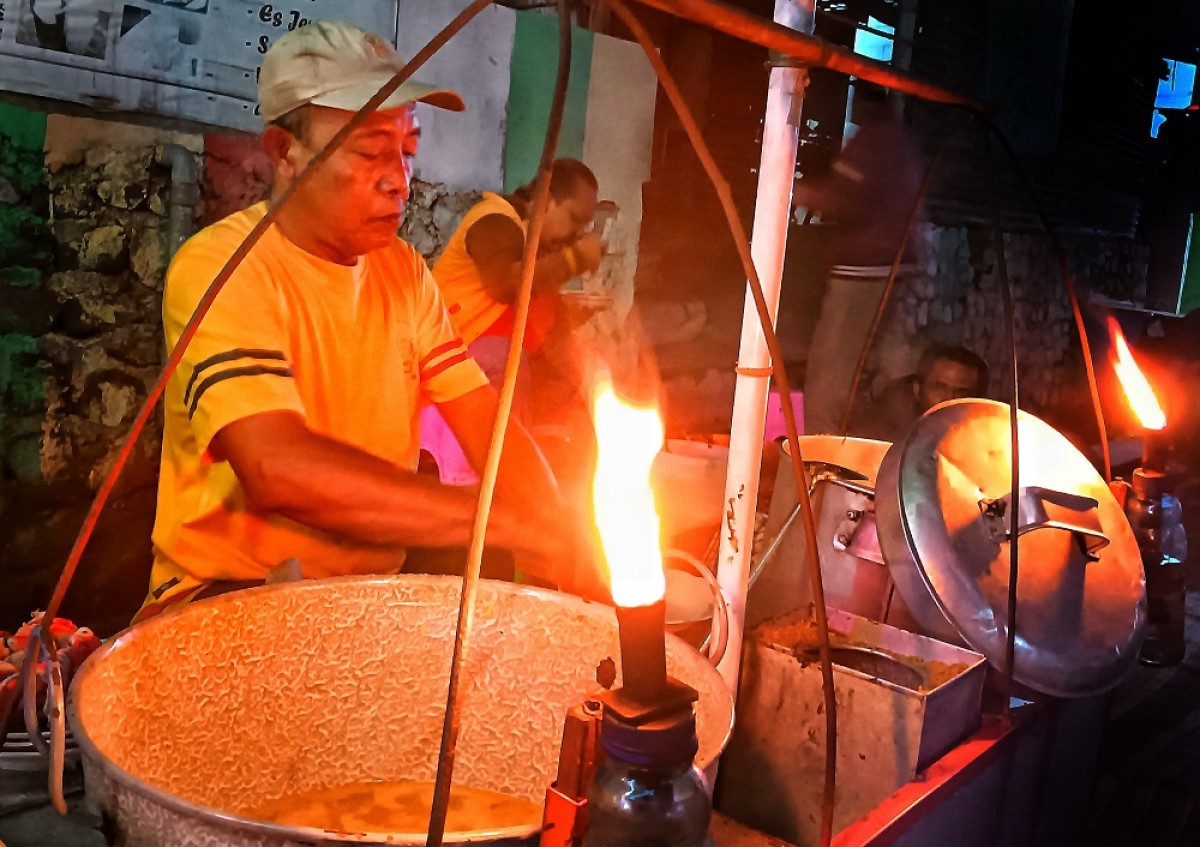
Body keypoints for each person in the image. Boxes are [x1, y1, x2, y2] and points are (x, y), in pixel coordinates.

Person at [138, 21, 595, 621]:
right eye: (369, 151)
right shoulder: (224, 267)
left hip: (363, 601)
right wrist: (505, 522)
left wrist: (558, 526)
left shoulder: (402, 272)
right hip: (229, 599)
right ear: (283, 151)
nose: (397, 180)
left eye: (406, 151)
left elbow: (486, 421)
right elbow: (277, 468)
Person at [420, 159, 604, 484]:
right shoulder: (494, 220)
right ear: (546, 200)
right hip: (444, 362)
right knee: (506, 358)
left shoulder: (533, 246)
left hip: (485, 364)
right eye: (574, 220)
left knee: (577, 374)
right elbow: (508, 286)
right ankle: (505, 484)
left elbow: (547, 331)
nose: (578, 234)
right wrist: (573, 260)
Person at [795, 79, 926, 435]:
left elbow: (843, 199)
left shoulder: (871, 143)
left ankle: (818, 461)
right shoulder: (901, 142)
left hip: (865, 271)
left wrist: (793, 189)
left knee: (830, 376)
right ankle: (910, 451)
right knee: (889, 372)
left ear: (864, 103)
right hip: (901, 267)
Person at [850, 344, 989, 443]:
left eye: (961, 393)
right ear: (917, 390)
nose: (949, 399)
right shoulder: (882, 434)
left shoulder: (990, 450)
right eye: (939, 387)